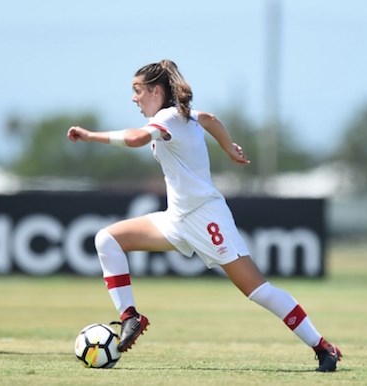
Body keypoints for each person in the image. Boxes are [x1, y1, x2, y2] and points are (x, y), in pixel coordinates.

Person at [66, 59, 342, 372]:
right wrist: (228, 148)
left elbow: (135, 139)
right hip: (177, 219)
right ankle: (130, 317)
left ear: (156, 90)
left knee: (259, 291)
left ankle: (323, 348)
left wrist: (90, 136)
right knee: (107, 239)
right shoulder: (184, 115)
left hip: (206, 216)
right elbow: (209, 119)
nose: (134, 98)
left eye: (137, 90)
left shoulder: (169, 117)